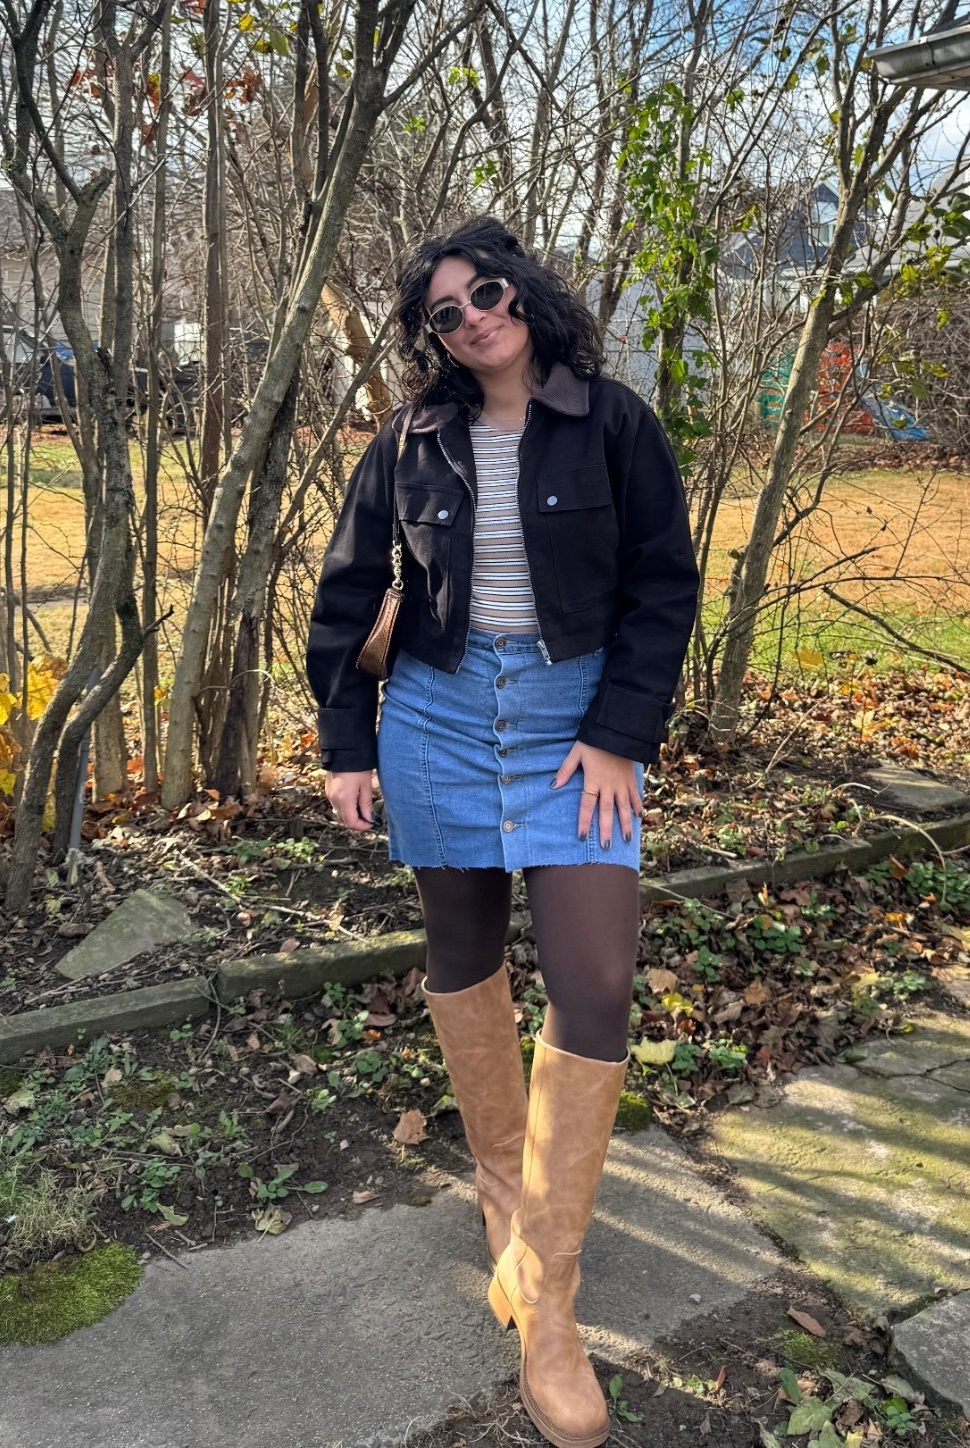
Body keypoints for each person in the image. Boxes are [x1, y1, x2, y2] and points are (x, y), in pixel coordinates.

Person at [307, 217, 699, 1448]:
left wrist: (619, 732)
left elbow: (663, 587)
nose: (473, 315)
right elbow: (348, 589)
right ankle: (504, 1195)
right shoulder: (409, 442)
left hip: (573, 723)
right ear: (431, 337)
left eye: (485, 290)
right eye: (445, 311)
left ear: (522, 288)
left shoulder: (614, 420)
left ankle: (550, 1301)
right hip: (432, 715)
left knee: (594, 983)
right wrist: (347, 743)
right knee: (463, 955)